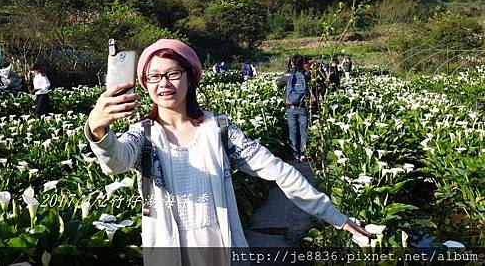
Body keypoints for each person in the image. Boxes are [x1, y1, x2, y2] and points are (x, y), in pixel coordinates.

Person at [85, 39, 371, 265]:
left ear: (190, 77)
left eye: (173, 73)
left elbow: (278, 171)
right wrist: (98, 131)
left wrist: (336, 217)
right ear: (145, 84)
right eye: (154, 76)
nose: (164, 83)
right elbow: (116, 162)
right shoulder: (143, 134)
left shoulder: (219, 129)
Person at [277, 54, 310, 162]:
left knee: (293, 130)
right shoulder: (306, 74)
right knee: (304, 130)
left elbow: (279, 84)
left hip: (290, 106)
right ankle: (304, 153)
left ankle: (296, 154)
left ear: (292, 62)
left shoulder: (288, 74)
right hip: (303, 106)